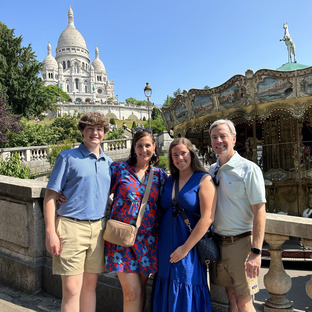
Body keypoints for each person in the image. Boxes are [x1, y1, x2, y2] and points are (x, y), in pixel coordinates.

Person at [43, 112, 112, 312]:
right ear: (82, 131)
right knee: (72, 289)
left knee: (90, 287)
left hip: (98, 229)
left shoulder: (108, 163)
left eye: (99, 129)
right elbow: (50, 197)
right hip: (71, 227)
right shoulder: (67, 157)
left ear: (104, 132)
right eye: (90, 128)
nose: (95, 133)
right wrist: (50, 233)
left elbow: (101, 194)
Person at [105, 129, 168, 312]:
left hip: (148, 241)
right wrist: (64, 195)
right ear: (134, 148)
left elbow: (169, 203)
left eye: (148, 145)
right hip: (122, 240)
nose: (144, 149)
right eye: (139, 146)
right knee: (132, 292)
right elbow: (98, 190)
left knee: (140, 291)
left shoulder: (159, 176)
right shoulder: (119, 170)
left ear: (154, 147)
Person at [152, 137, 217, 312]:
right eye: (175, 155)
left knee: (186, 282)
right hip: (165, 244)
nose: (180, 158)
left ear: (191, 154)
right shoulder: (169, 180)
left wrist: (185, 248)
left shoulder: (204, 179)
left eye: (183, 153)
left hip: (189, 244)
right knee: (165, 283)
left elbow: (207, 218)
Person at [208, 119, 266, 312]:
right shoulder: (212, 170)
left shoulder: (248, 169)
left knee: (245, 301)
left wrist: (256, 252)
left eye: (223, 136)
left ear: (233, 138)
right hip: (219, 244)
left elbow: (260, 210)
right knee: (230, 297)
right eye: (214, 137)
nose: (219, 141)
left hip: (241, 244)